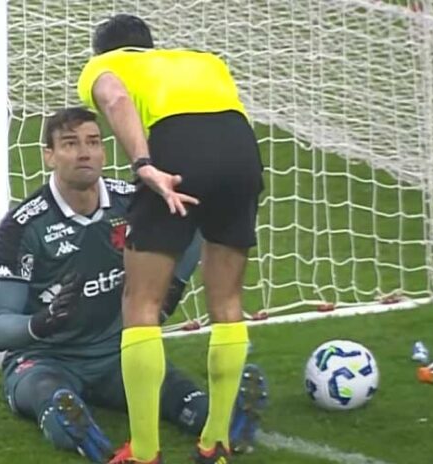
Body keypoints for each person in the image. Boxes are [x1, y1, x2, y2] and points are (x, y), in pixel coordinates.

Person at [0, 108, 266, 463]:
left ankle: (228, 420)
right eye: (70, 144)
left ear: (104, 152)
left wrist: (167, 294)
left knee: (178, 394)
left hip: (118, 354)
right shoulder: (22, 226)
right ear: (49, 156)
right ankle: (76, 427)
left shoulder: (132, 201)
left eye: (93, 142)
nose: (84, 153)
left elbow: (193, 228)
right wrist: (43, 322)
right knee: (44, 392)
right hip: (46, 357)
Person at [77, 14, 266, 464]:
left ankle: (144, 453)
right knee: (227, 302)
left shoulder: (105, 65)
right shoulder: (205, 61)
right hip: (242, 152)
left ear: (103, 51)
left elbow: (115, 97)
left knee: (141, 303)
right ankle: (215, 444)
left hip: (178, 150)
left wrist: (144, 165)